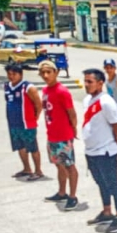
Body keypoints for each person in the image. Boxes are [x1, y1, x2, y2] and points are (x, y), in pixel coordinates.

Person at [82, 69, 117, 233]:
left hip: (105, 151)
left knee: (112, 183)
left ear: (100, 83)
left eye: (90, 82)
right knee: (101, 182)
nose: (87, 85)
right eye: (85, 81)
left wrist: (115, 145)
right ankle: (106, 211)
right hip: (92, 151)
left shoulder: (107, 102)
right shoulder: (87, 100)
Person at [40, 60, 79, 209]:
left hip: (63, 135)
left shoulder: (62, 91)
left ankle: (73, 196)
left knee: (69, 165)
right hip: (52, 135)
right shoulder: (45, 91)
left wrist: (73, 129)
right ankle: (62, 192)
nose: (46, 75)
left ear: (56, 73)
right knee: (59, 165)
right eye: (43, 72)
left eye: (49, 72)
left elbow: (72, 113)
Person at [3, 63, 43, 181]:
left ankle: (38, 170)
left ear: (20, 74)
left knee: (32, 147)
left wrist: (34, 118)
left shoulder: (28, 87)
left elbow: (38, 104)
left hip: (27, 123)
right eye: (9, 74)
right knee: (20, 147)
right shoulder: (7, 86)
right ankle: (27, 168)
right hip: (13, 123)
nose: (11, 76)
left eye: (14, 74)